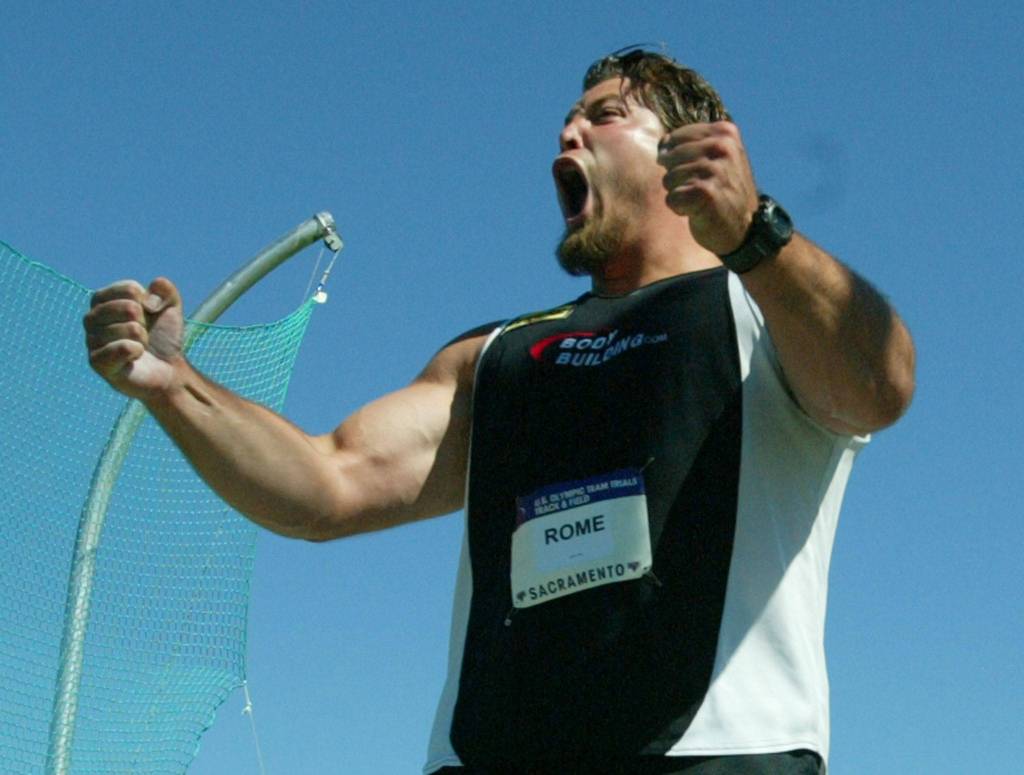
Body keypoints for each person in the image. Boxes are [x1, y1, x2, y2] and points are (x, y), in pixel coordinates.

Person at [84, 49, 915, 774]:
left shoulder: (767, 303)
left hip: (718, 751)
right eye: (565, 122)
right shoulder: (495, 354)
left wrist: (759, 234)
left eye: (603, 117)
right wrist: (173, 384)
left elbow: (880, 383)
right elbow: (323, 485)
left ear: (689, 149)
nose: (567, 136)